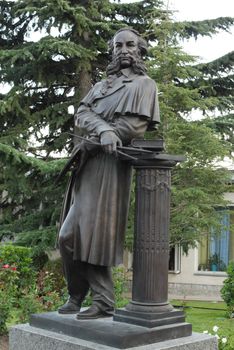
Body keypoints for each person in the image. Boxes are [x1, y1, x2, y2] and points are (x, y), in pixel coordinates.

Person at [58, 28, 160, 319]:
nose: (124, 49)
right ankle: (78, 296)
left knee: (90, 236)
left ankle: (101, 300)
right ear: (113, 51)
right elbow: (82, 114)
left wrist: (107, 131)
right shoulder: (101, 86)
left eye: (130, 45)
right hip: (87, 163)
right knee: (68, 237)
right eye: (119, 45)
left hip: (111, 166)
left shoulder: (144, 85)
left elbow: (134, 127)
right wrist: (103, 128)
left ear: (139, 50)